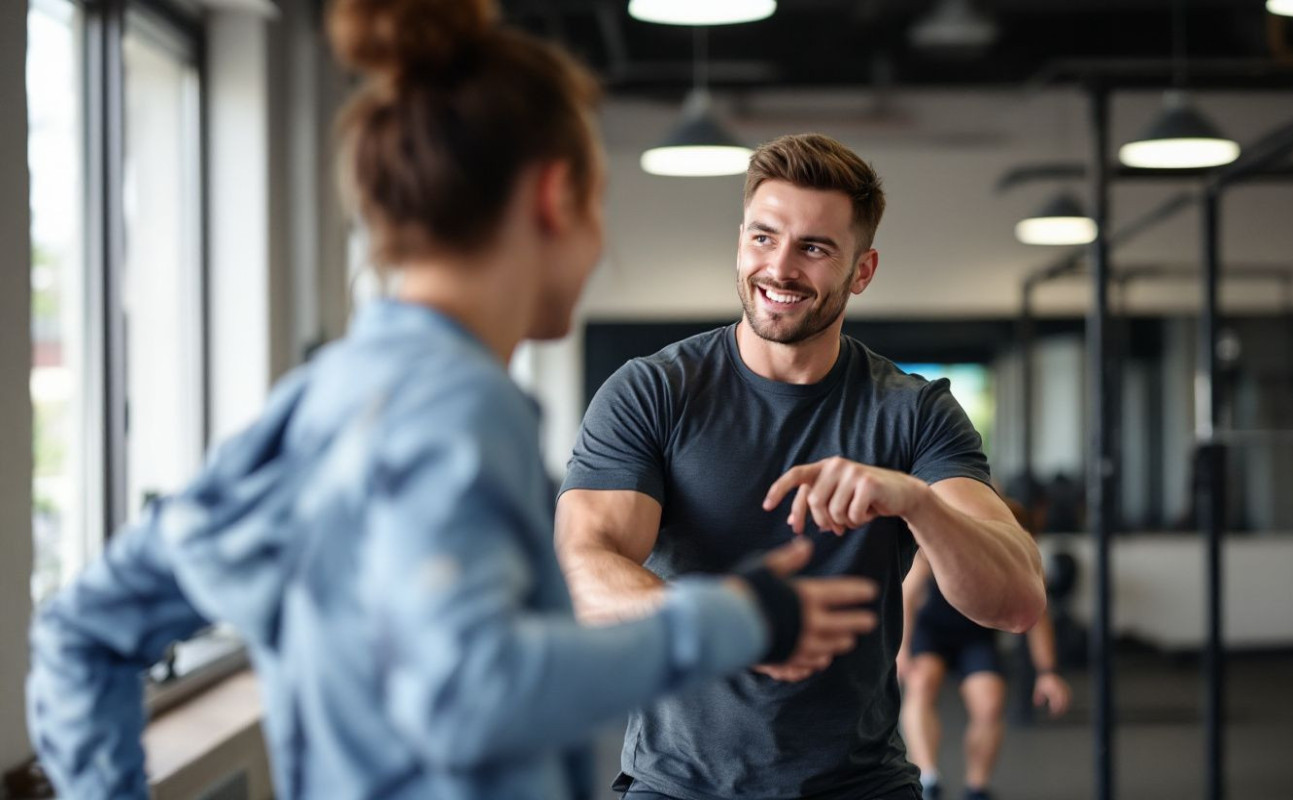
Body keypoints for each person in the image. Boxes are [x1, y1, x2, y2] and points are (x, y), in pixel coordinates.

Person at [24, 3, 881, 798]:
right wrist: (729, 621)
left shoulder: (333, 394)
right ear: (554, 198)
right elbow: (473, 692)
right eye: (598, 206)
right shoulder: (456, 411)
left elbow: (83, 632)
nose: (598, 247)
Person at [555, 133, 1047, 800]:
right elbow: (581, 570)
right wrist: (732, 621)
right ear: (740, 241)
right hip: (677, 785)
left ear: (862, 271)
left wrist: (917, 502)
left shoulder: (913, 412)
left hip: (860, 785)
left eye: (814, 248)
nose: (779, 268)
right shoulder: (654, 392)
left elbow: (1017, 601)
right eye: (763, 237)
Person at [897, 498, 1071, 800]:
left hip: (975, 637)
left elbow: (1038, 618)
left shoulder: (1023, 562)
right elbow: (907, 597)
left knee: (990, 702)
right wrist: (901, 651)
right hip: (932, 632)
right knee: (921, 683)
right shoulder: (942, 544)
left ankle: (977, 787)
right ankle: (928, 778)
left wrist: (1047, 672)